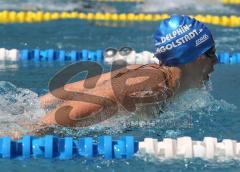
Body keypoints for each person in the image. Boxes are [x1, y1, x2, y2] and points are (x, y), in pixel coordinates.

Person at [39, 15, 218, 129]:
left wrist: (35, 105)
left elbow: (71, 89)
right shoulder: (150, 83)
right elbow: (69, 110)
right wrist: (30, 130)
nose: (216, 61)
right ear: (192, 55)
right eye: (211, 53)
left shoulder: (153, 76)